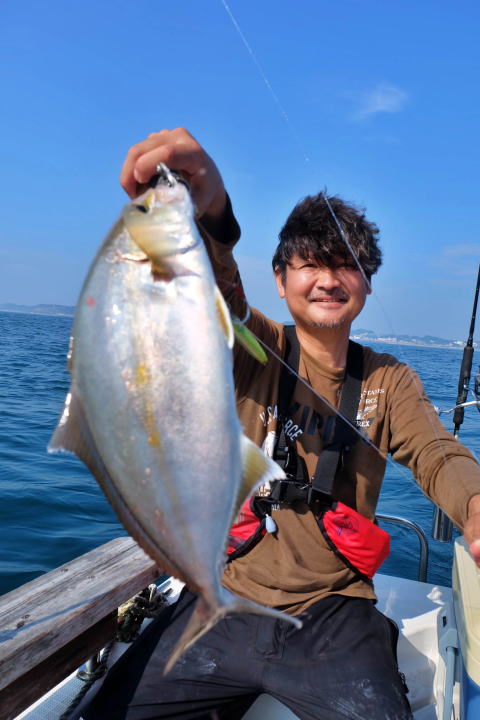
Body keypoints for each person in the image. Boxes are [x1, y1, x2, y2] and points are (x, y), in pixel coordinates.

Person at [83, 128, 480, 720]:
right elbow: (217, 292)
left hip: (335, 613)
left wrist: (473, 506)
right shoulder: (255, 347)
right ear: (280, 279)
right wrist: (212, 210)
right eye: (310, 264)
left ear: (367, 283)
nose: (328, 279)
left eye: (346, 265)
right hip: (226, 596)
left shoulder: (390, 380)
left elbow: (435, 451)